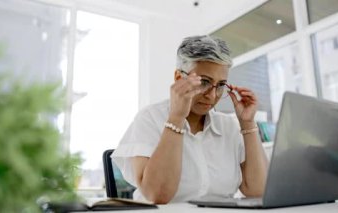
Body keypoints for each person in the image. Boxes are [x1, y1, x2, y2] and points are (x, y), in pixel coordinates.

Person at [111, 35, 268, 204]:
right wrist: (176, 118)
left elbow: (258, 190)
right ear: (179, 78)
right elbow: (157, 195)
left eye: (221, 85)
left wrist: (247, 124)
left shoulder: (229, 126)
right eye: (204, 82)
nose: (212, 95)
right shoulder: (150, 118)